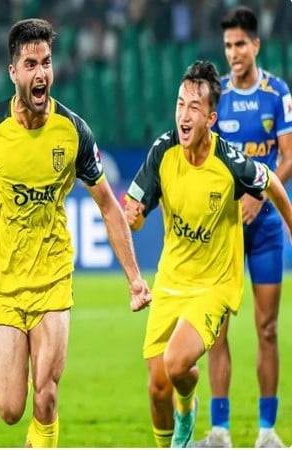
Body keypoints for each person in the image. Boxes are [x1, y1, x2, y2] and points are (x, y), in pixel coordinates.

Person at [0, 18, 151, 448]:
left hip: (53, 276)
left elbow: (108, 205)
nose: (41, 74)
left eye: (47, 63)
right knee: (10, 408)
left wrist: (133, 277)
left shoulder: (72, 131)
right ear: (13, 72)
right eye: (31, 64)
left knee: (47, 394)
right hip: (4, 281)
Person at [125, 60, 292, 448]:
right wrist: (132, 216)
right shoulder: (163, 150)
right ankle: (181, 420)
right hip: (171, 280)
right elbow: (134, 210)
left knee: (177, 361)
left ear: (211, 118)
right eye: (180, 104)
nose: (183, 114)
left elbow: (272, 184)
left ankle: (191, 411)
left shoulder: (229, 162)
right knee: (157, 387)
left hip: (214, 285)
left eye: (194, 108)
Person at [196, 7, 292, 448]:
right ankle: (219, 431)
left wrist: (260, 193)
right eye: (228, 46)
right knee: (216, 329)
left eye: (240, 44)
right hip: (227, 229)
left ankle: (268, 431)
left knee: (267, 328)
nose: (233, 53)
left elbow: (287, 157)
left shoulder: (278, 94)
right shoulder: (219, 98)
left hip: (268, 227)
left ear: (256, 45)